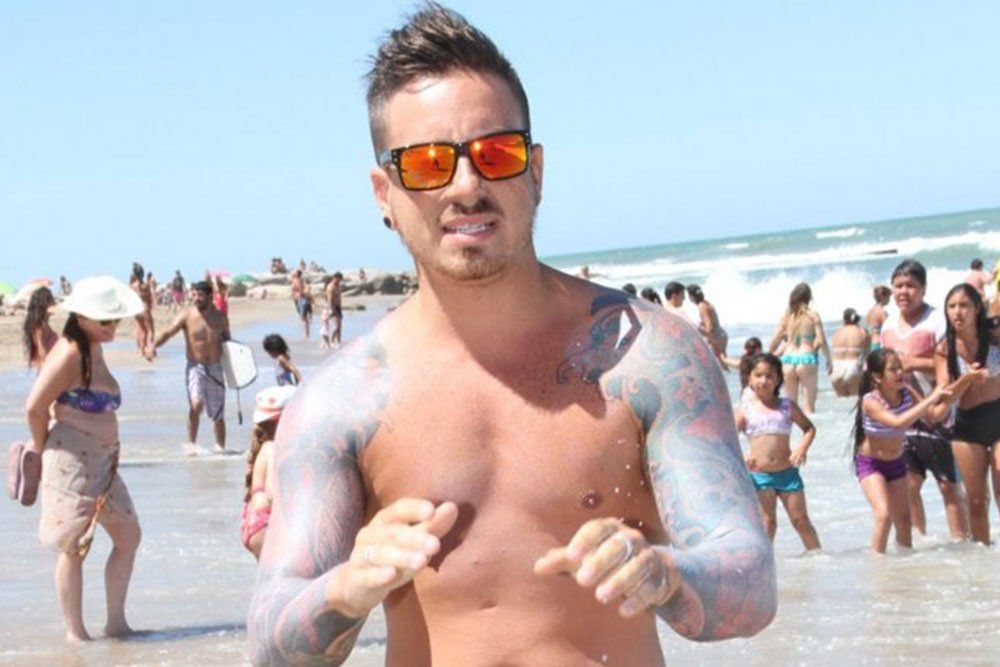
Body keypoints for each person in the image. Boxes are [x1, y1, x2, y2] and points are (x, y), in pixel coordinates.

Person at [247, 6, 775, 665]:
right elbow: (268, 641)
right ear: (384, 193)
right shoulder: (341, 403)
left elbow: (752, 583)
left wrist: (665, 573)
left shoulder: (651, 356)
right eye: (428, 163)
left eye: (496, 154)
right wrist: (346, 589)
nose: (467, 186)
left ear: (536, 171)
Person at [24, 276, 144, 641]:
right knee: (74, 547)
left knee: (129, 536)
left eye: (115, 319)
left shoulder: (94, 346)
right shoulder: (70, 352)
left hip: (104, 462)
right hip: (71, 460)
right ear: (82, 317)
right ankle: (75, 633)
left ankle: (116, 623)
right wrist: (42, 447)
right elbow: (34, 406)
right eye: (106, 320)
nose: (113, 326)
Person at [881, 259, 967, 541]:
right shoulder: (887, 324)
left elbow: (954, 365)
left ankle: (962, 544)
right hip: (904, 415)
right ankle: (920, 544)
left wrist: (914, 363)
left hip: (940, 414)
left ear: (924, 289)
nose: (903, 292)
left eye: (910, 286)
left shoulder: (937, 321)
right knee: (909, 484)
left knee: (948, 486)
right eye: (898, 286)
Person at [850, 348, 958, 553]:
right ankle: (877, 565)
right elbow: (897, 422)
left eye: (900, 367)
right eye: (893, 369)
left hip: (896, 463)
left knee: (904, 520)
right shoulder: (870, 401)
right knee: (884, 515)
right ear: (877, 377)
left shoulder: (907, 392)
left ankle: (904, 567)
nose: (900, 372)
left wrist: (959, 386)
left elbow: (931, 415)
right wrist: (930, 398)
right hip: (871, 464)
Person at [735, 353, 820, 551]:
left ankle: (819, 559)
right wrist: (742, 457)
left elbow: (809, 428)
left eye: (769, 376)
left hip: (787, 474)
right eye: (758, 375)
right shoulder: (745, 409)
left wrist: (802, 448)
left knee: (801, 521)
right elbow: (727, 439)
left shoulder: (786, 406)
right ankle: (766, 564)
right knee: (768, 524)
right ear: (750, 379)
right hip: (760, 476)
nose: (763, 380)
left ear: (778, 379)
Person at [936, 283, 1000, 544]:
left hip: (998, 415)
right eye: (951, 306)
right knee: (976, 501)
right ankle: (983, 559)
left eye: (964, 305)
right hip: (967, 425)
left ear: (977, 309)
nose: (957, 312)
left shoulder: (995, 337)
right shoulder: (945, 348)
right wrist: (967, 379)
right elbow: (946, 396)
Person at [145, 281, 231, 454]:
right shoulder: (187, 315)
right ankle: (191, 445)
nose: (196, 298)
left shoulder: (221, 318)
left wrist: (237, 370)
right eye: (194, 294)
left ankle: (220, 450)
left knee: (218, 414)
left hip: (215, 368)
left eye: (200, 295)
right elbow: (168, 332)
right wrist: (153, 345)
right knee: (196, 404)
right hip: (195, 367)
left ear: (210, 296)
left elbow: (228, 343)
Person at [241, 386, 296, 560]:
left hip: (254, 522)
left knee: (268, 574)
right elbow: (272, 495)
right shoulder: (272, 449)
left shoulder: (263, 448)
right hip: (265, 523)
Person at [767, 283, 832, 414]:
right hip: (806, 358)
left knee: (790, 409)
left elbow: (773, 342)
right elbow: (821, 340)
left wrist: (770, 356)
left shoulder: (787, 317)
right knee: (809, 409)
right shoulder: (813, 315)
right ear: (809, 298)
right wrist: (829, 359)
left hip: (788, 359)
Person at [829, 308, 870, 397]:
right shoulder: (862, 332)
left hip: (837, 367)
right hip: (854, 366)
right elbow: (867, 355)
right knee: (855, 398)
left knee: (841, 400)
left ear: (844, 319)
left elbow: (832, 353)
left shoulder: (837, 332)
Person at [687, 284, 728, 365]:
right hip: (720, 335)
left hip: (716, 337)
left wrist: (696, 329)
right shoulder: (706, 303)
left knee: (721, 362)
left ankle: (744, 366)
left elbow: (709, 327)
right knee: (723, 362)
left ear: (692, 296)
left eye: (688, 295)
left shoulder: (702, 306)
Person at [23, 286, 59, 369]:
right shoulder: (40, 327)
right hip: (48, 370)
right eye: (52, 299)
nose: (54, 302)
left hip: (51, 369)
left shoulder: (44, 324)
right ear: (45, 303)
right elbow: (42, 355)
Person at [129, 263, 155, 355]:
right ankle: (150, 349)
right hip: (144, 308)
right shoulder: (145, 285)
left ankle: (140, 350)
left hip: (136, 310)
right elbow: (150, 297)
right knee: (150, 331)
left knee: (141, 330)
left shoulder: (132, 285)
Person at [865, 285, 891, 350]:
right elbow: (888, 331)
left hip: (869, 344)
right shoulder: (882, 312)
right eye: (888, 297)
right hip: (878, 343)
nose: (889, 300)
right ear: (883, 297)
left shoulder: (870, 311)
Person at [324, 271, 344, 348]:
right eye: (339, 279)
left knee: (339, 326)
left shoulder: (338, 286)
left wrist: (340, 308)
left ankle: (339, 342)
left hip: (338, 307)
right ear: (335, 278)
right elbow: (329, 300)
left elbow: (339, 297)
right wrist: (332, 309)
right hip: (333, 307)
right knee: (336, 327)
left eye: (340, 280)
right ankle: (331, 341)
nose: (340, 281)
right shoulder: (330, 287)